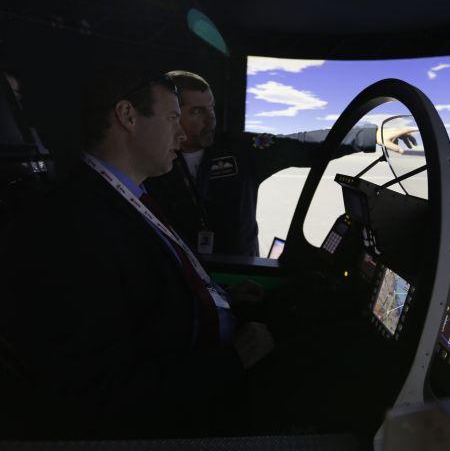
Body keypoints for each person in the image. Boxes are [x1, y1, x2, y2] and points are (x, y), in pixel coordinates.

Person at [0, 68, 269, 439]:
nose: (182, 132)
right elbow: (97, 390)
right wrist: (230, 362)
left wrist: (219, 299)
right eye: (173, 117)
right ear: (127, 116)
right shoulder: (74, 225)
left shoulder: (125, 197)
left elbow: (140, 300)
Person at [145, 70, 417, 257]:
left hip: (242, 276)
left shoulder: (242, 150)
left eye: (212, 108)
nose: (210, 119)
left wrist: (370, 135)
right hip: (184, 277)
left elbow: (300, 144)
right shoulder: (149, 159)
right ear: (173, 114)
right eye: (197, 111)